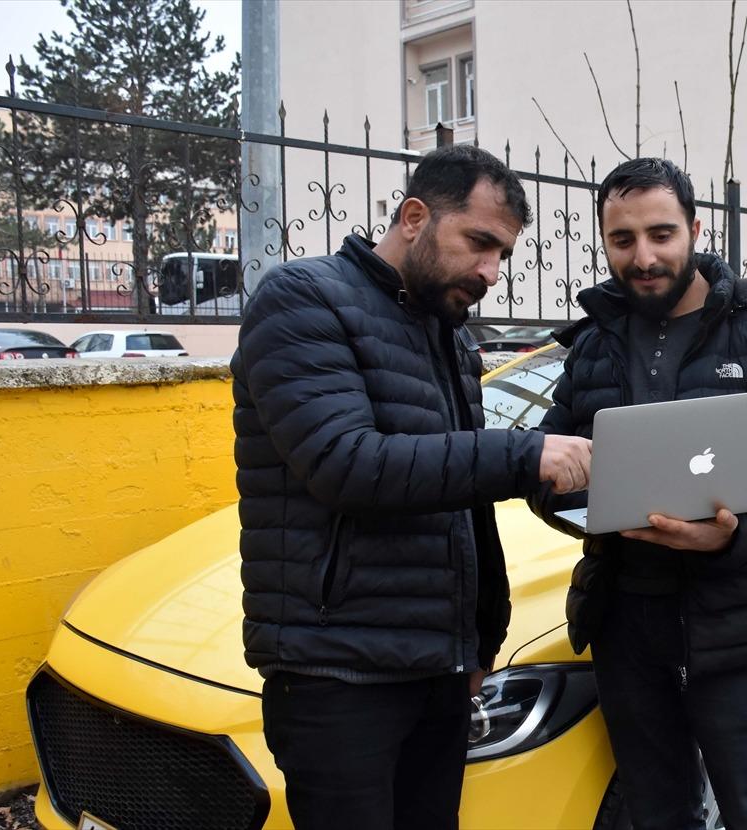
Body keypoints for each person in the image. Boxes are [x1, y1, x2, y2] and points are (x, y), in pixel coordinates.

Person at [232, 144, 591, 830]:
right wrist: (528, 454)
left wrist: (480, 640)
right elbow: (347, 463)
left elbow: (462, 503)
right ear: (415, 216)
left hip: (439, 668)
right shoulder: (303, 298)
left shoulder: (450, 336)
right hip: (338, 674)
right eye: (478, 243)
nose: (490, 271)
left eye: (502, 255)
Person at [527, 158, 747, 830]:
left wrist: (732, 534)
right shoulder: (593, 343)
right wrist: (567, 490)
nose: (644, 255)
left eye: (661, 233)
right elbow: (545, 464)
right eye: (622, 239)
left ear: (695, 228)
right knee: (658, 816)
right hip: (626, 624)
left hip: (734, 623)